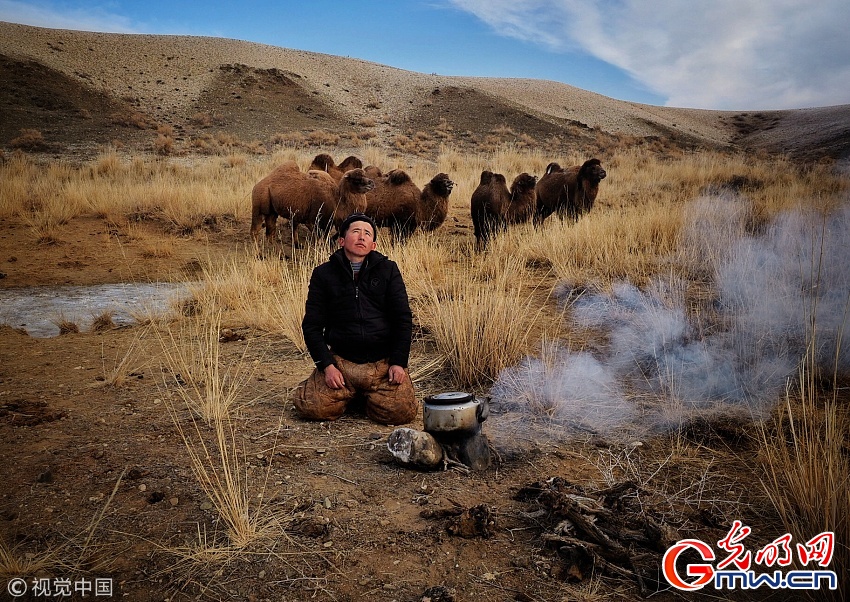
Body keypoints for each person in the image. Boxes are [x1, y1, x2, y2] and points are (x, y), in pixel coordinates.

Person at [293, 213, 418, 425]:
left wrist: (398, 362)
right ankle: (350, 393)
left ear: (374, 245)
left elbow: (403, 320)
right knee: (311, 407)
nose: (362, 237)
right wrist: (327, 366)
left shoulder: (389, 270)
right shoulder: (323, 274)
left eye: (367, 234)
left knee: (402, 413)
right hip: (342, 362)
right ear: (341, 241)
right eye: (356, 232)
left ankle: (362, 397)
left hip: (382, 364)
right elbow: (312, 326)